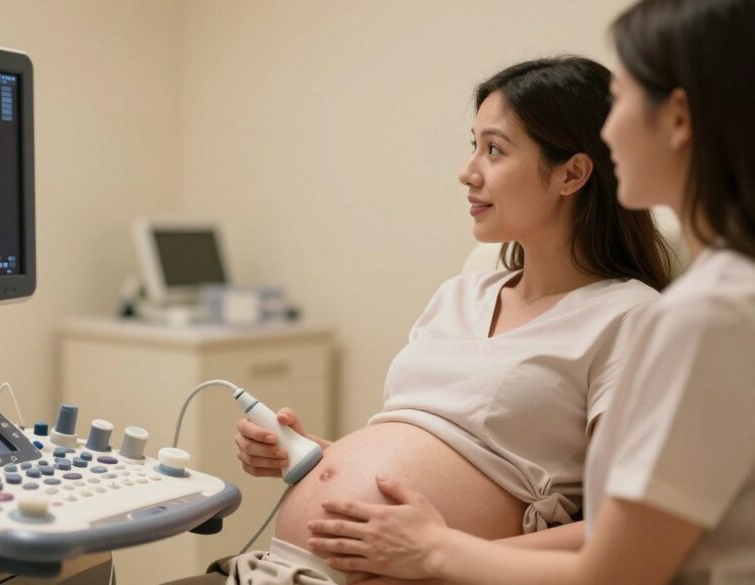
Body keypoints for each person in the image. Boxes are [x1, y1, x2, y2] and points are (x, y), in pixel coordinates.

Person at [170, 55, 673, 585]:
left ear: (571, 173)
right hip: (274, 569)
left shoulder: (628, 317)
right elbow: (425, 452)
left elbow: (624, 531)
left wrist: (440, 547)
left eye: (494, 150)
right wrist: (313, 455)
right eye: (473, 145)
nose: (468, 171)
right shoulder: (460, 294)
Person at [304, 1, 755, 583]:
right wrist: (328, 461)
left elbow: (615, 566)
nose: (609, 126)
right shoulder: (712, 302)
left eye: (621, 100)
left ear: (677, 119)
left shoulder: (700, 315)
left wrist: (436, 549)